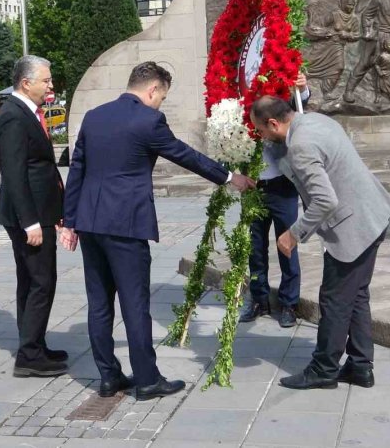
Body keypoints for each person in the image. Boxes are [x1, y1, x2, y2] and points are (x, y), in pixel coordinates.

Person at [60, 62, 255, 400]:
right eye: (161, 97)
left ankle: (108, 377)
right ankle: (148, 380)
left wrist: (70, 221)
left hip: (91, 223)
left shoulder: (94, 116)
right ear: (152, 90)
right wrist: (229, 177)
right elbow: (185, 155)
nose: (160, 104)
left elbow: (77, 169)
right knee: (135, 304)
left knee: (99, 304)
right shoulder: (148, 120)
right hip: (126, 225)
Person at [250, 95, 390, 390]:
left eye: (261, 131)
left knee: (334, 300)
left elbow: (325, 200)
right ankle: (359, 366)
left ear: (274, 123)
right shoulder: (315, 120)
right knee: (356, 296)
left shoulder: (301, 146)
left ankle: (324, 369)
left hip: (353, 227)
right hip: (372, 213)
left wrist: (293, 233)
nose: (261, 137)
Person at [0, 55, 68, 378]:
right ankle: (29, 356)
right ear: (26, 83)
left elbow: (41, 167)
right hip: (28, 216)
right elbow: (13, 173)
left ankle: (33, 342)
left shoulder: (27, 112)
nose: (50, 85)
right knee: (41, 281)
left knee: (32, 280)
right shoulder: (13, 116)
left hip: (39, 210)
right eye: (46, 81)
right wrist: (30, 221)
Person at [240, 75, 309, 328]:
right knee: (255, 248)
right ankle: (259, 299)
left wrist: (301, 88)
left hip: (281, 185)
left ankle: (289, 303)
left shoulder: (274, 97)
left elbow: (295, 108)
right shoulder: (239, 102)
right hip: (253, 186)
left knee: (287, 245)